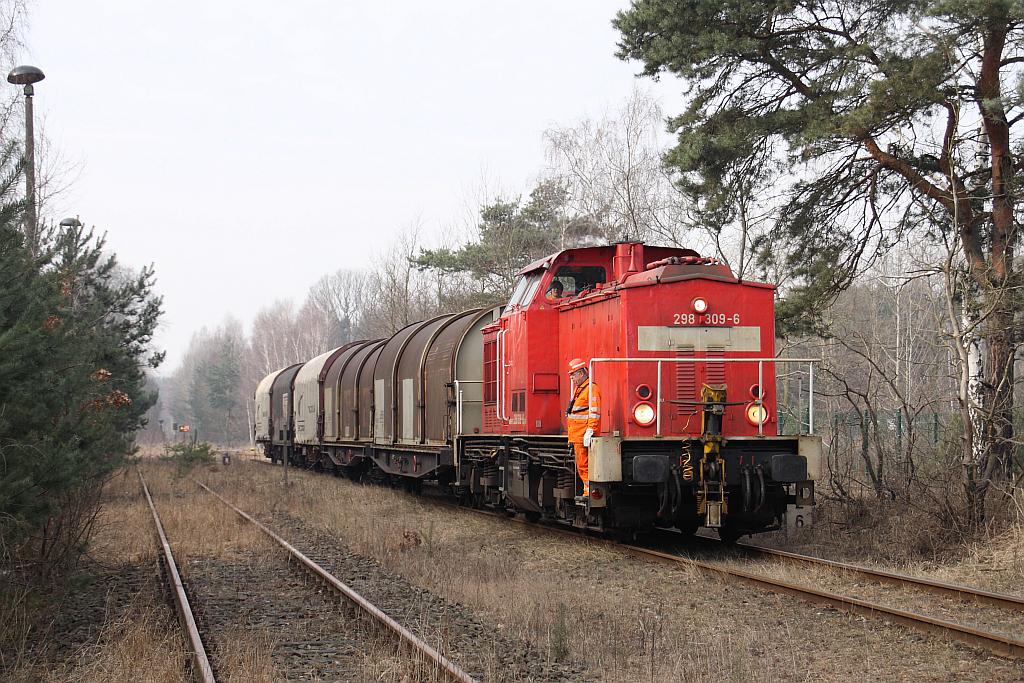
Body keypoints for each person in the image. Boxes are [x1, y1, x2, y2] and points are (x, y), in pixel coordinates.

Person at [565, 357, 601, 499]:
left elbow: (594, 411)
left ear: (581, 373)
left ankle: (589, 492)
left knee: (584, 466)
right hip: (577, 435)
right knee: (582, 466)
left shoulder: (591, 389)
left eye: (573, 375)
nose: (572, 378)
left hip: (583, 434)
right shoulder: (580, 389)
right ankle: (588, 491)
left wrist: (590, 430)